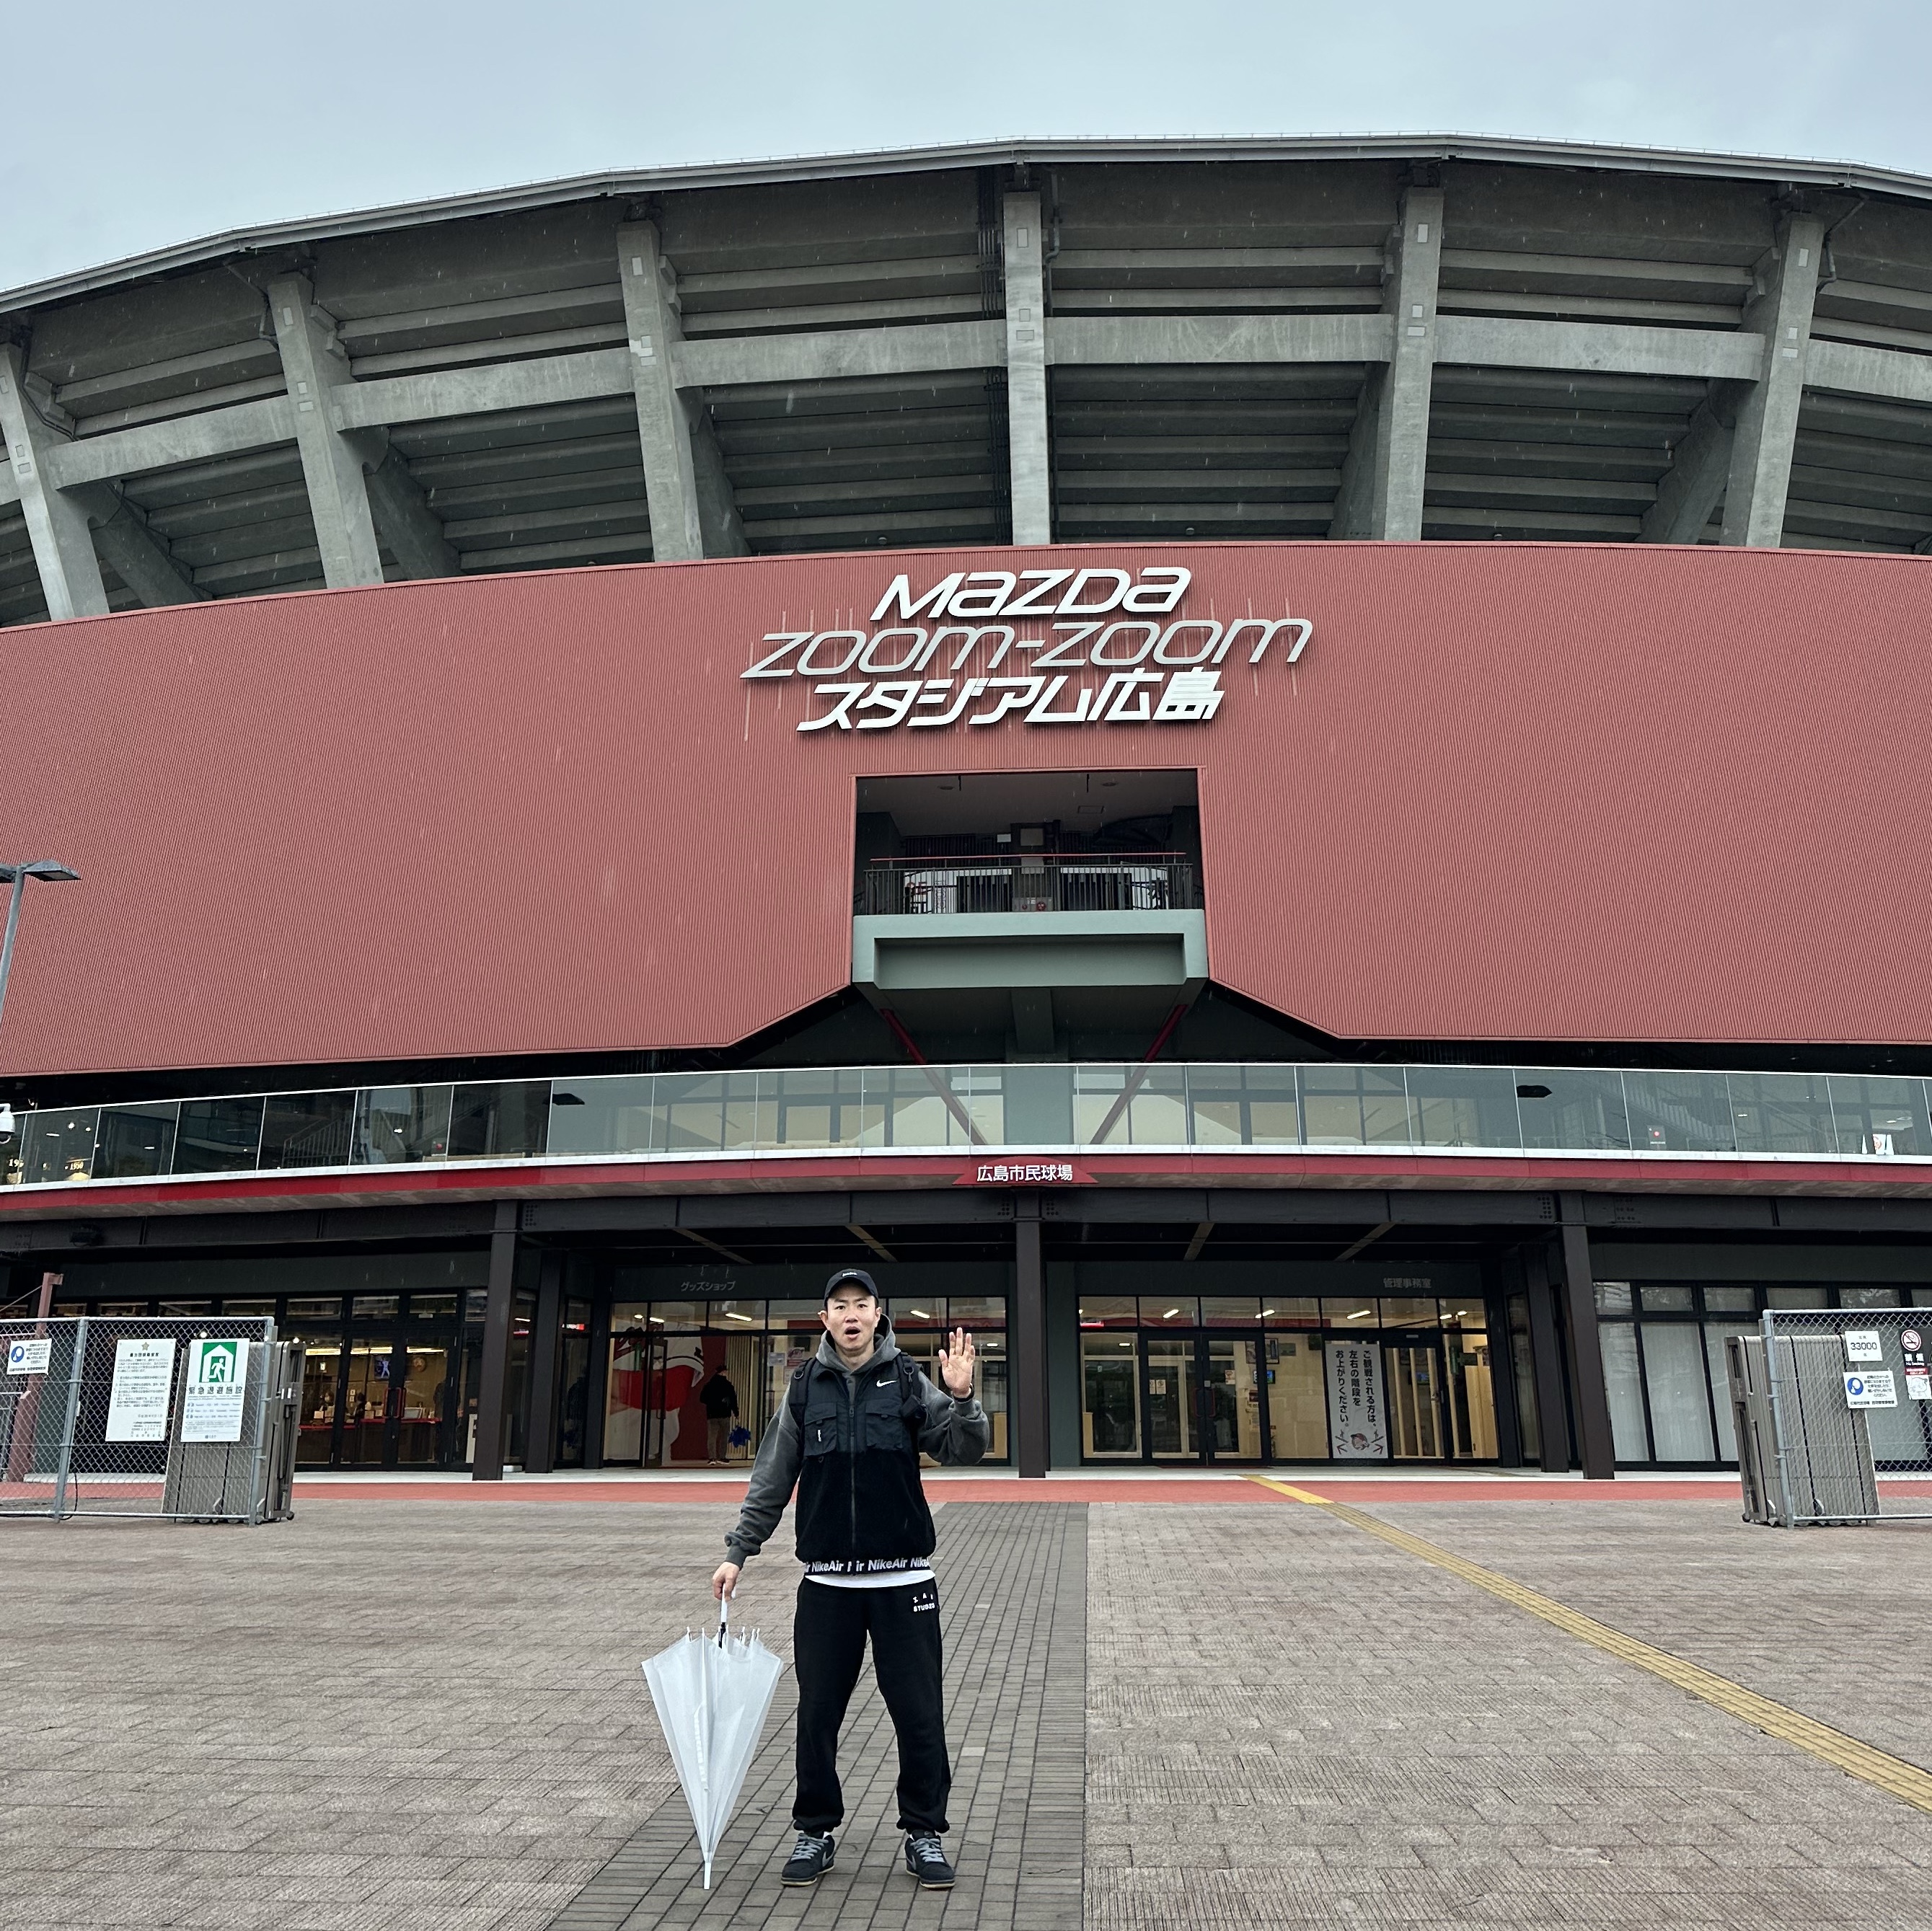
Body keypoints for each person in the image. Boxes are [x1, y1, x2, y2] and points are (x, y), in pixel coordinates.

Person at [711, 1268, 987, 1891]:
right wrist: (738, 1551)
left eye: (862, 1304)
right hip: (828, 1586)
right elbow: (772, 1477)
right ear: (825, 1318)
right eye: (840, 1306)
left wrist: (963, 1397)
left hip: (903, 1581)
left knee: (919, 1715)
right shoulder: (804, 1387)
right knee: (817, 1715)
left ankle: (924, 1832)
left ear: (877, 1314)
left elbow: (963, 1449)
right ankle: (815, 1829)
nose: (852, 1315)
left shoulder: (909, 1380)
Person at [697, 1364, 739, 1465]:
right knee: (724, 1437)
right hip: (725, 1414)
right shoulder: (728, 1385)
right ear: (723, 1372)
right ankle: (722, 1457)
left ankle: (712, 1457)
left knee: (712, 1437)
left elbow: (702, 1398)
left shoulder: (709, 1385)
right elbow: (733, 1400)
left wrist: (712, 1403)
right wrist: (736, 1413)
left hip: (712, 1414)